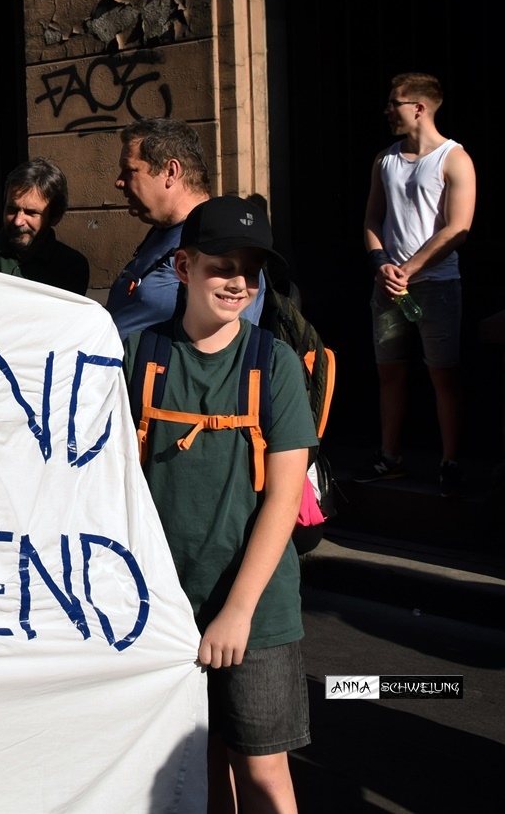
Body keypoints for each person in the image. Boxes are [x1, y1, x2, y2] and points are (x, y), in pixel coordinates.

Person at [124, 195, 314, 813]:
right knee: (195, 769)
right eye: (221, 267)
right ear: (183, 267)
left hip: (257, 609)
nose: (237, 282)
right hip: (164, 609)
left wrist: (237, 611)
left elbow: (284, 497)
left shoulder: (274, 362)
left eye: (250, 271)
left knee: (262, 773)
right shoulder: (139, 356)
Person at [359, 72, 476, 496]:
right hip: (389, 289)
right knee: (389, 371)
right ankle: (389, 456)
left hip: (436, 287)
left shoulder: (454, 158)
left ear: (419, 108)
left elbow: (458, 228)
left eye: (395, 103)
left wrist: (407, 269)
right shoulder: (385, 160)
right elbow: (372, 219)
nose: (388, 110)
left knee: (443, 374)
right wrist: (381, 264)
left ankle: (450, 462)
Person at [107, 118, 264, 336]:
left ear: (171, 172)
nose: (119, 182)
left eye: (129, 170)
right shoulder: (162, 231)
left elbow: (229, 346)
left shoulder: (221, 240)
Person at [0, 158, 90, 294]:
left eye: (31, 212)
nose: (18, 221)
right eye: (12, 209)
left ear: (55, 217)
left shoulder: (71, 266)